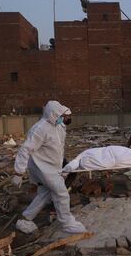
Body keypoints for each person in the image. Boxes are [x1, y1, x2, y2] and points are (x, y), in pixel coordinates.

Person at [11, 100, 87, 234]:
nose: (63, 119)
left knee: (44, 194)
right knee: (61, 193)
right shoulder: (39, 129)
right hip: (43, 168)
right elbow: (25, 150)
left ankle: (25, 218)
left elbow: (57, 147)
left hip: (52, 166)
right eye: (61, 116)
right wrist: (18, 173)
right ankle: (67, 222)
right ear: (53, 114)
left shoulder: (57, 127)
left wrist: (62, 166)